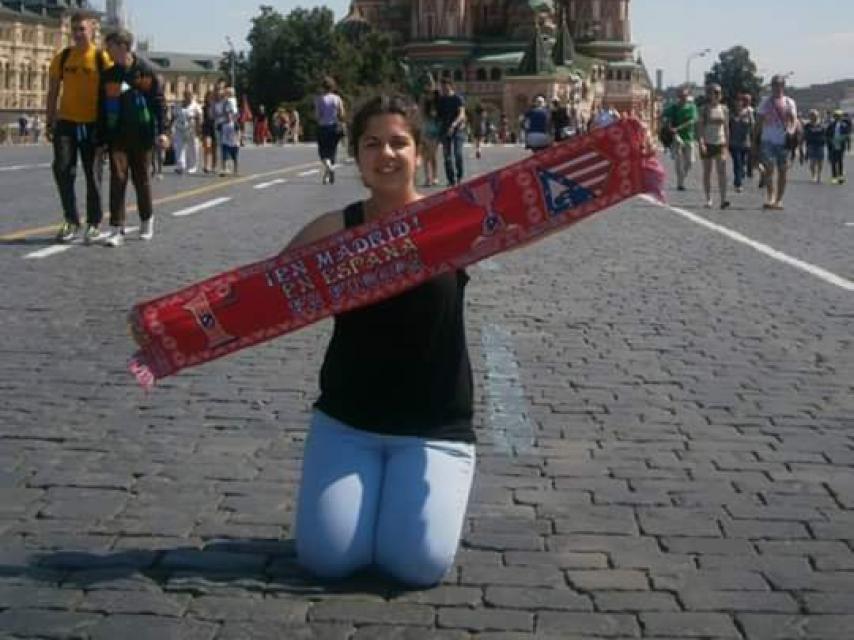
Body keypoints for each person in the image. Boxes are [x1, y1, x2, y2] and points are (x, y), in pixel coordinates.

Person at [284, 94, 476, 588]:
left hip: (434, 427)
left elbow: (542, 212)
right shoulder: (334, 229)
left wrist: (621, 164)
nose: (386, 154)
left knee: (417, 566)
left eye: (399, 142)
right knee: (328, 561)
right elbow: (258, 294)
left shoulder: (454, 221)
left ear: (420, 153)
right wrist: (167, 326)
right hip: (348, 421)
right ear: (357, 155)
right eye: (372, 143)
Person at [45, 11, 112, 243]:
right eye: (74, 30)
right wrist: (49, 119)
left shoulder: (102, 58)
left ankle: (94, 223)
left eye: (82, 29)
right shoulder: (62, 58)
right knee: (62, 170)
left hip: (92, 125)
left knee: (93, 175)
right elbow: (53, 91)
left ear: (92, 30)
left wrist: (111, 126)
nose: (77, 34)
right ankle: (71, 219)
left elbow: (113, 92)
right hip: (66, 123)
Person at [98, 28, 166, 247]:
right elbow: (101, 108)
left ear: (122, 46)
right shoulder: (108, 75)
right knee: (118, 178)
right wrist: (100, 139)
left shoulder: (145, 72)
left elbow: (158, 103)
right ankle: (117, 228)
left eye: (109, 46)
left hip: (142, 134)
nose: (106, 50)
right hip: (117, 134)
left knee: (141, 179)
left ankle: (147, 219)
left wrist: (163, 132)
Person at [755, 74, 798, 210]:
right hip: (767, 139)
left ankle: (779, 199)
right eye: (774, 85)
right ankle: (770, 197)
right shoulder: (765, 102)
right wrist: (754, 139)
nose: (777, 88)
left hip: (783, 140)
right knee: (769, 169)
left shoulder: (789, 102)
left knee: (782, 170)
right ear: (771, 86)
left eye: (779, 85)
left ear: (783, 86)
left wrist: (791, 130)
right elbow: (759, 122)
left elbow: (793, 120)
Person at [697, 83, 730, 209]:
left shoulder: (724, 109)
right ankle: (708, 198)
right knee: (707, 172)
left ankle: (723, 199)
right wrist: (701, 142)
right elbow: (699, 128)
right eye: (714, 92)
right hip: (707, 143)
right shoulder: (704, 109)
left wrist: (727, 144)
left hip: (720, 143)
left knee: (722, 171)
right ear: (709, 94)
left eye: (718, 92)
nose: (716, 95)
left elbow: (726, 127)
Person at [661, 86, 699, 191]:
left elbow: (692, 121)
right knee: (678, 160)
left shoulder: (692, 107)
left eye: (685, 96)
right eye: (681, 96)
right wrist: (668, 126)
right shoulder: (674, 108)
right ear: (678, 96)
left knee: (690, 161)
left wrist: (678, 128)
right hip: (676, 137)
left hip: (689, 137)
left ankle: (682, 178)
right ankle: (680, 183)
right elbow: (663, 116)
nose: (683, 98)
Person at [314, 76, 346, 184]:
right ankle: (329, 175)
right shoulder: (337, 98)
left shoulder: (319, 99)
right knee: (332, 151)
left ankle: (329, 168)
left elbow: (318, 116)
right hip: (334, 126)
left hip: (323, 127)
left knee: (323, 152)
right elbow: (342, 113)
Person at [436, 78, 466, 186]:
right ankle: (451, 179)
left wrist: (454, 125)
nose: (443, 88)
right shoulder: (441, 100)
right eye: (442, 86)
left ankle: (459, 177)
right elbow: (438, 115)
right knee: (447, 156)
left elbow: (461, 114)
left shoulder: (457, 98)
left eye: (445, 86)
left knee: (458, 154)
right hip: (444, 129)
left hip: (457, 130)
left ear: (450, 86)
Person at [729, 93, 754, 193]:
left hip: (745, 143)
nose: (738, 103)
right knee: (737, 162)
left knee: (742, 163)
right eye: (737, 102)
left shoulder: (748, 113)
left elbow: (752, 125)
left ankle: (740, 176)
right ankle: (738, 183)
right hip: (734, 142)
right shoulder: (731, 114)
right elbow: (728, 127)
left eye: (740, 101)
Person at [172, 89, 202, 175]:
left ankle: (192, 166)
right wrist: (170, 127)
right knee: (179, 147)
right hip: (179, 128)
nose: (187, 97)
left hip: (191, 129)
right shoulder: (178, 105)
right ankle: (180, 166)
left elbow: (199, 117)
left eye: (189, 95)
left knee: (192, 148)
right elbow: (174, 116)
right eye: (186, 95)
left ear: (192, 96)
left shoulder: (195, 105)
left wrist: (199, 129)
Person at [421, 90, 440, 187]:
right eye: (428, 94)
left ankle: (435, 177)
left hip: (436, 133)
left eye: (431, 94)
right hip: (426, 132)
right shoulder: (425, 105)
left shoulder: (439, 104)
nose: (429, 95)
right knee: (425, 157)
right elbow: (423, 119)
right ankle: (427, 178)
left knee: (432, 155)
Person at [826, 109, 851, 185]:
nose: (838, 117)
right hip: (833, 145)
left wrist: (848, 145)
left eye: (839, 116)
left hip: (841, 145)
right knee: (833, 161)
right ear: (834, 117)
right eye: (836, 116)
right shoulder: (831, 125)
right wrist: (829, 143)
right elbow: (827, 135)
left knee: (840, 161)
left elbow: (847, 136)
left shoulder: (844, 125)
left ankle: (840, 177)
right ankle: (834, 177)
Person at [802, 109, 826, 183]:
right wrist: (802, 146)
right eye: (811, 115)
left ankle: (819, 175)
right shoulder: (807, 125)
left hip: (820, 145)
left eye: (814, 115)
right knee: (812, 162)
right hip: (811, 145)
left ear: (817, 116)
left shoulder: (821, 125)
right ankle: (813, 175)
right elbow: (804, 135)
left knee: (820, 162)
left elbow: (825, 134)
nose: (813, 117)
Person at [201, 90, 218, 174]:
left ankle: (214, 166)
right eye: (208, 97)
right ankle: (206, 165)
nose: (210, 99)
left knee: (214, 147)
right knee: (207, 146)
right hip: (206, 128)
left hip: (214, 127)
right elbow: (202, 119)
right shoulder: (204, 107)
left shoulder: (216, 107)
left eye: (211, 97)